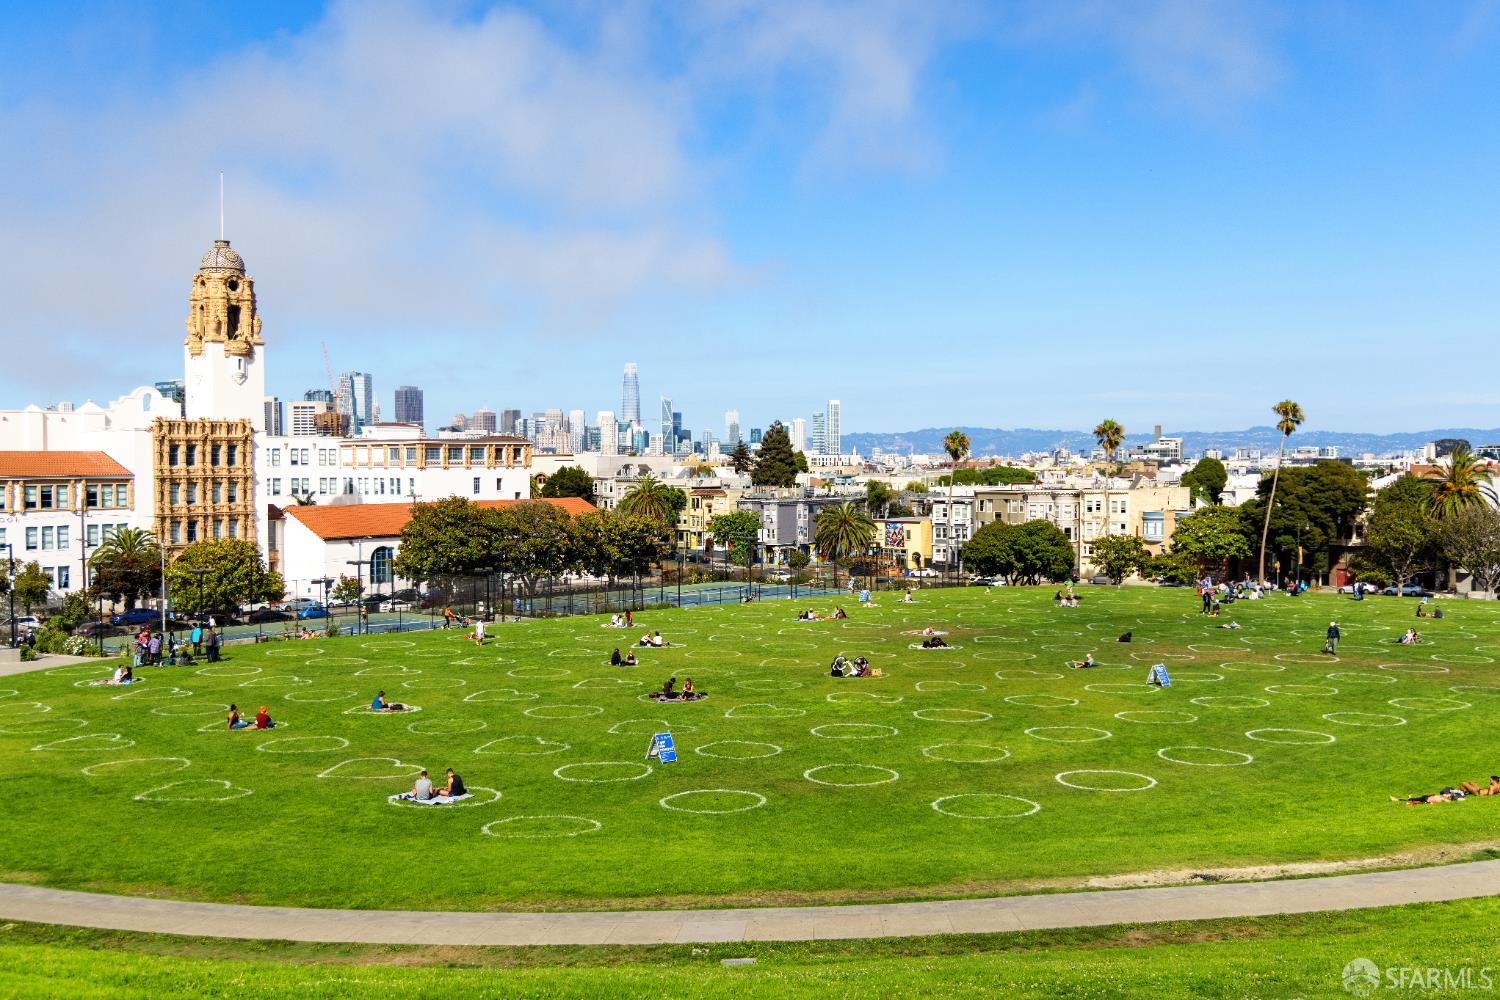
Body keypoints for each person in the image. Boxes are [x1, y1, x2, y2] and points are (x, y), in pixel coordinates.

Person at [1392, 787, 1465, 805]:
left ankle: (1396, 800)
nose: (1448, 795)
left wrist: (1455, 799)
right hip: (1427, 797)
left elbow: (1462, 800)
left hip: (1427, 800)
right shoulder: (1445, 796)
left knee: (1415, 801)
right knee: (1414, 799)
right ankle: (1409, 798)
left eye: (1449, 796)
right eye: (1449, 794)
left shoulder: (1446, 800)